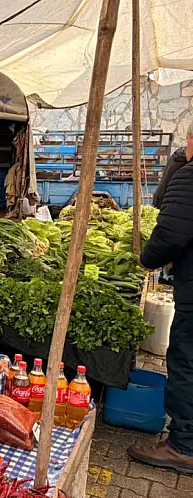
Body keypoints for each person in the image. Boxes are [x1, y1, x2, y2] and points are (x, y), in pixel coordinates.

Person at [128, 143, 193, 472]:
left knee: (186, 363)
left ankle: (183, 447)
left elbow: (169, 234)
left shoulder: (190, 176)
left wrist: (146, 260)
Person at [153, 122, 193, 209]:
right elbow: (161, 191)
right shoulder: (177, 161)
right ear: (188, 137)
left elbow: (160, 193)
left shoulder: (176, 158)